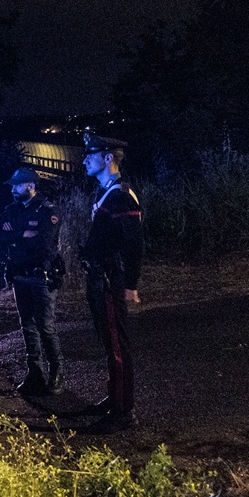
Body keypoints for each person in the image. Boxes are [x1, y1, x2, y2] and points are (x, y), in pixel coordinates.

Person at [80, 133, 144, 433]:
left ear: (108, 158)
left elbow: (134, 244)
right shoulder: (106, 192)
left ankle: (123, 412)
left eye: (90, 154)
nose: (84, 159)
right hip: (100, 275)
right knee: (109, 342)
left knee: (118, 345)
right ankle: (115, 398)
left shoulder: (120, 195)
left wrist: (130, 284)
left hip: (111, 277)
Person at [0, 167, 66, 396]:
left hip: (41, 277)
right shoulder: (12, 210)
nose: (13, 189)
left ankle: (57, 373)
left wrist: (16, 239)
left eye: (17, 185)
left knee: (45, 327)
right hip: (20, 275)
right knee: (28, 326)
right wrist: (21, 235)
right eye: (13, 185)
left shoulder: (48, 211)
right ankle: (35, 373)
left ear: (31, 187)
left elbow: (43, 245)